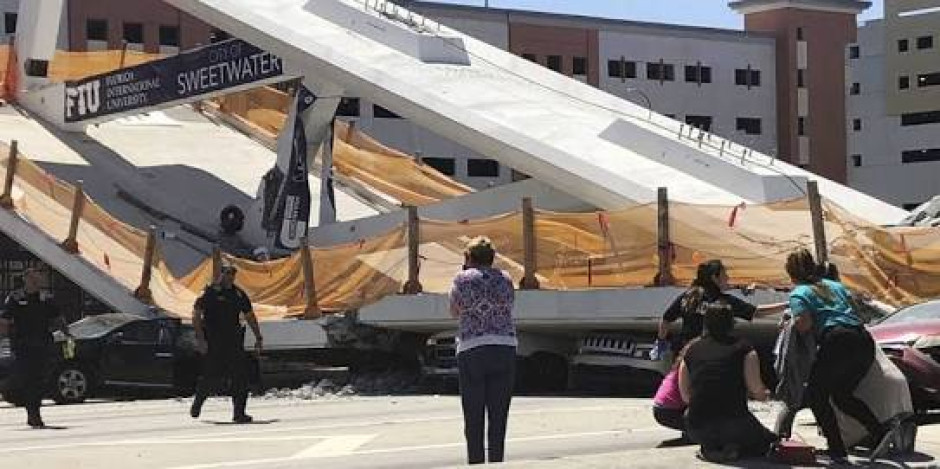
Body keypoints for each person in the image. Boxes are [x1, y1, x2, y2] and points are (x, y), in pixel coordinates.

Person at [785, 249, 897, 463]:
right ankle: (880, 432)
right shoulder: (835, 286)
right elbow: (856, 312)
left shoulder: (799, 293)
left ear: (792, 274)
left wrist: (790, 323)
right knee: (841, 394)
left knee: (816, 395)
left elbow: (804, 324)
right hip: (863, 340)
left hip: (837, 341)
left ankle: (837, 450)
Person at [679, 303, 778, 462]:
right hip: (734, 422)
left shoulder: (691, 350)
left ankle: (712, 448)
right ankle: (732, 447)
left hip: (696, 425)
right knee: (766, 442)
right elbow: (756, 389)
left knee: (716, 431)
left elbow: (685, 396)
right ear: (732, 323)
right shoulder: (744, 348)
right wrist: (766, 394)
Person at [450, 236, 517, 465]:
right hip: (504, 346)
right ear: (492, 258)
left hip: (472, 348)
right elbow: (510, 305)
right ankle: (497, 460)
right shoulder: (505, 278)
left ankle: (476, 461)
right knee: (498, 415)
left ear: (469, 257)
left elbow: (454, 310)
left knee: (473, 414)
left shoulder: (462, 279)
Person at [654, 259, 787, 357]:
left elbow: (666, 319)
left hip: (687, 352)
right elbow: (756, 312)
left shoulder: (688, 296)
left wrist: (660, 342)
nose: (728, 278)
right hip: (710, 354)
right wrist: (786, 304)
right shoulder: (722, 301)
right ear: (714, 277)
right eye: (724, 275)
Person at [190, 262, 264, 424]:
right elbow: (196, 315)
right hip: (214, 342)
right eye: (227, 273)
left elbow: (250, 315)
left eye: (232, 274)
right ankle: (198, 403)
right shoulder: (210, 292)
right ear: (221, 274)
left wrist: (258, 337)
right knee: (210, 377)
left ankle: (239, 413)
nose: (230, 277)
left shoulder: (238, 294)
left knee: (240, 378)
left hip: (234, 343)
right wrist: (200, 338)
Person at [0, 268, 70, 428]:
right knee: (27, 379)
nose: (36, 281)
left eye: (37, 278)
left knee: (40, 379)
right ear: (25, 279)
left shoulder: (46, 298)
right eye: (32, 278)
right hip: (23, 345)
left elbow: (58, 317)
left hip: (42, 345)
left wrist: (67, 333)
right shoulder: (15, 298)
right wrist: (3, 337)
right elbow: (5, 320)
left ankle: (34, 411)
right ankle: (32, 412)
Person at [652, 342, 692, 435]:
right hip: (668, 410)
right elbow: (686, 397)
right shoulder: (686, 364)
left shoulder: (680, 364)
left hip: (664, 408)